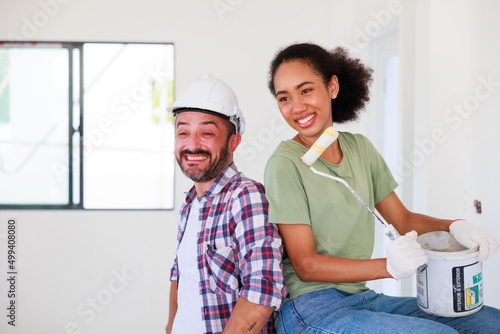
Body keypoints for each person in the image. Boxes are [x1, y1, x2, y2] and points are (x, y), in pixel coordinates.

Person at [264, 42, 500, 333]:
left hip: (362, 299)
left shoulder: (360, 149)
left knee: (491, 323)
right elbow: (306, 265)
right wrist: (388, 267)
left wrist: (456, 226)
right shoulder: (284, 164)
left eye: (306, 90)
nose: (297, 107)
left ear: (332, 87)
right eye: (284, 98)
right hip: (310, 308)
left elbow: (402, 220)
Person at [166, 74, 286, 334]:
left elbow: (262, 291)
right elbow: (180, 276)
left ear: (233, 142)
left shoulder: (245, 197)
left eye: (207, 132)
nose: (192, 144)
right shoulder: (190, 204)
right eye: (183, 132)